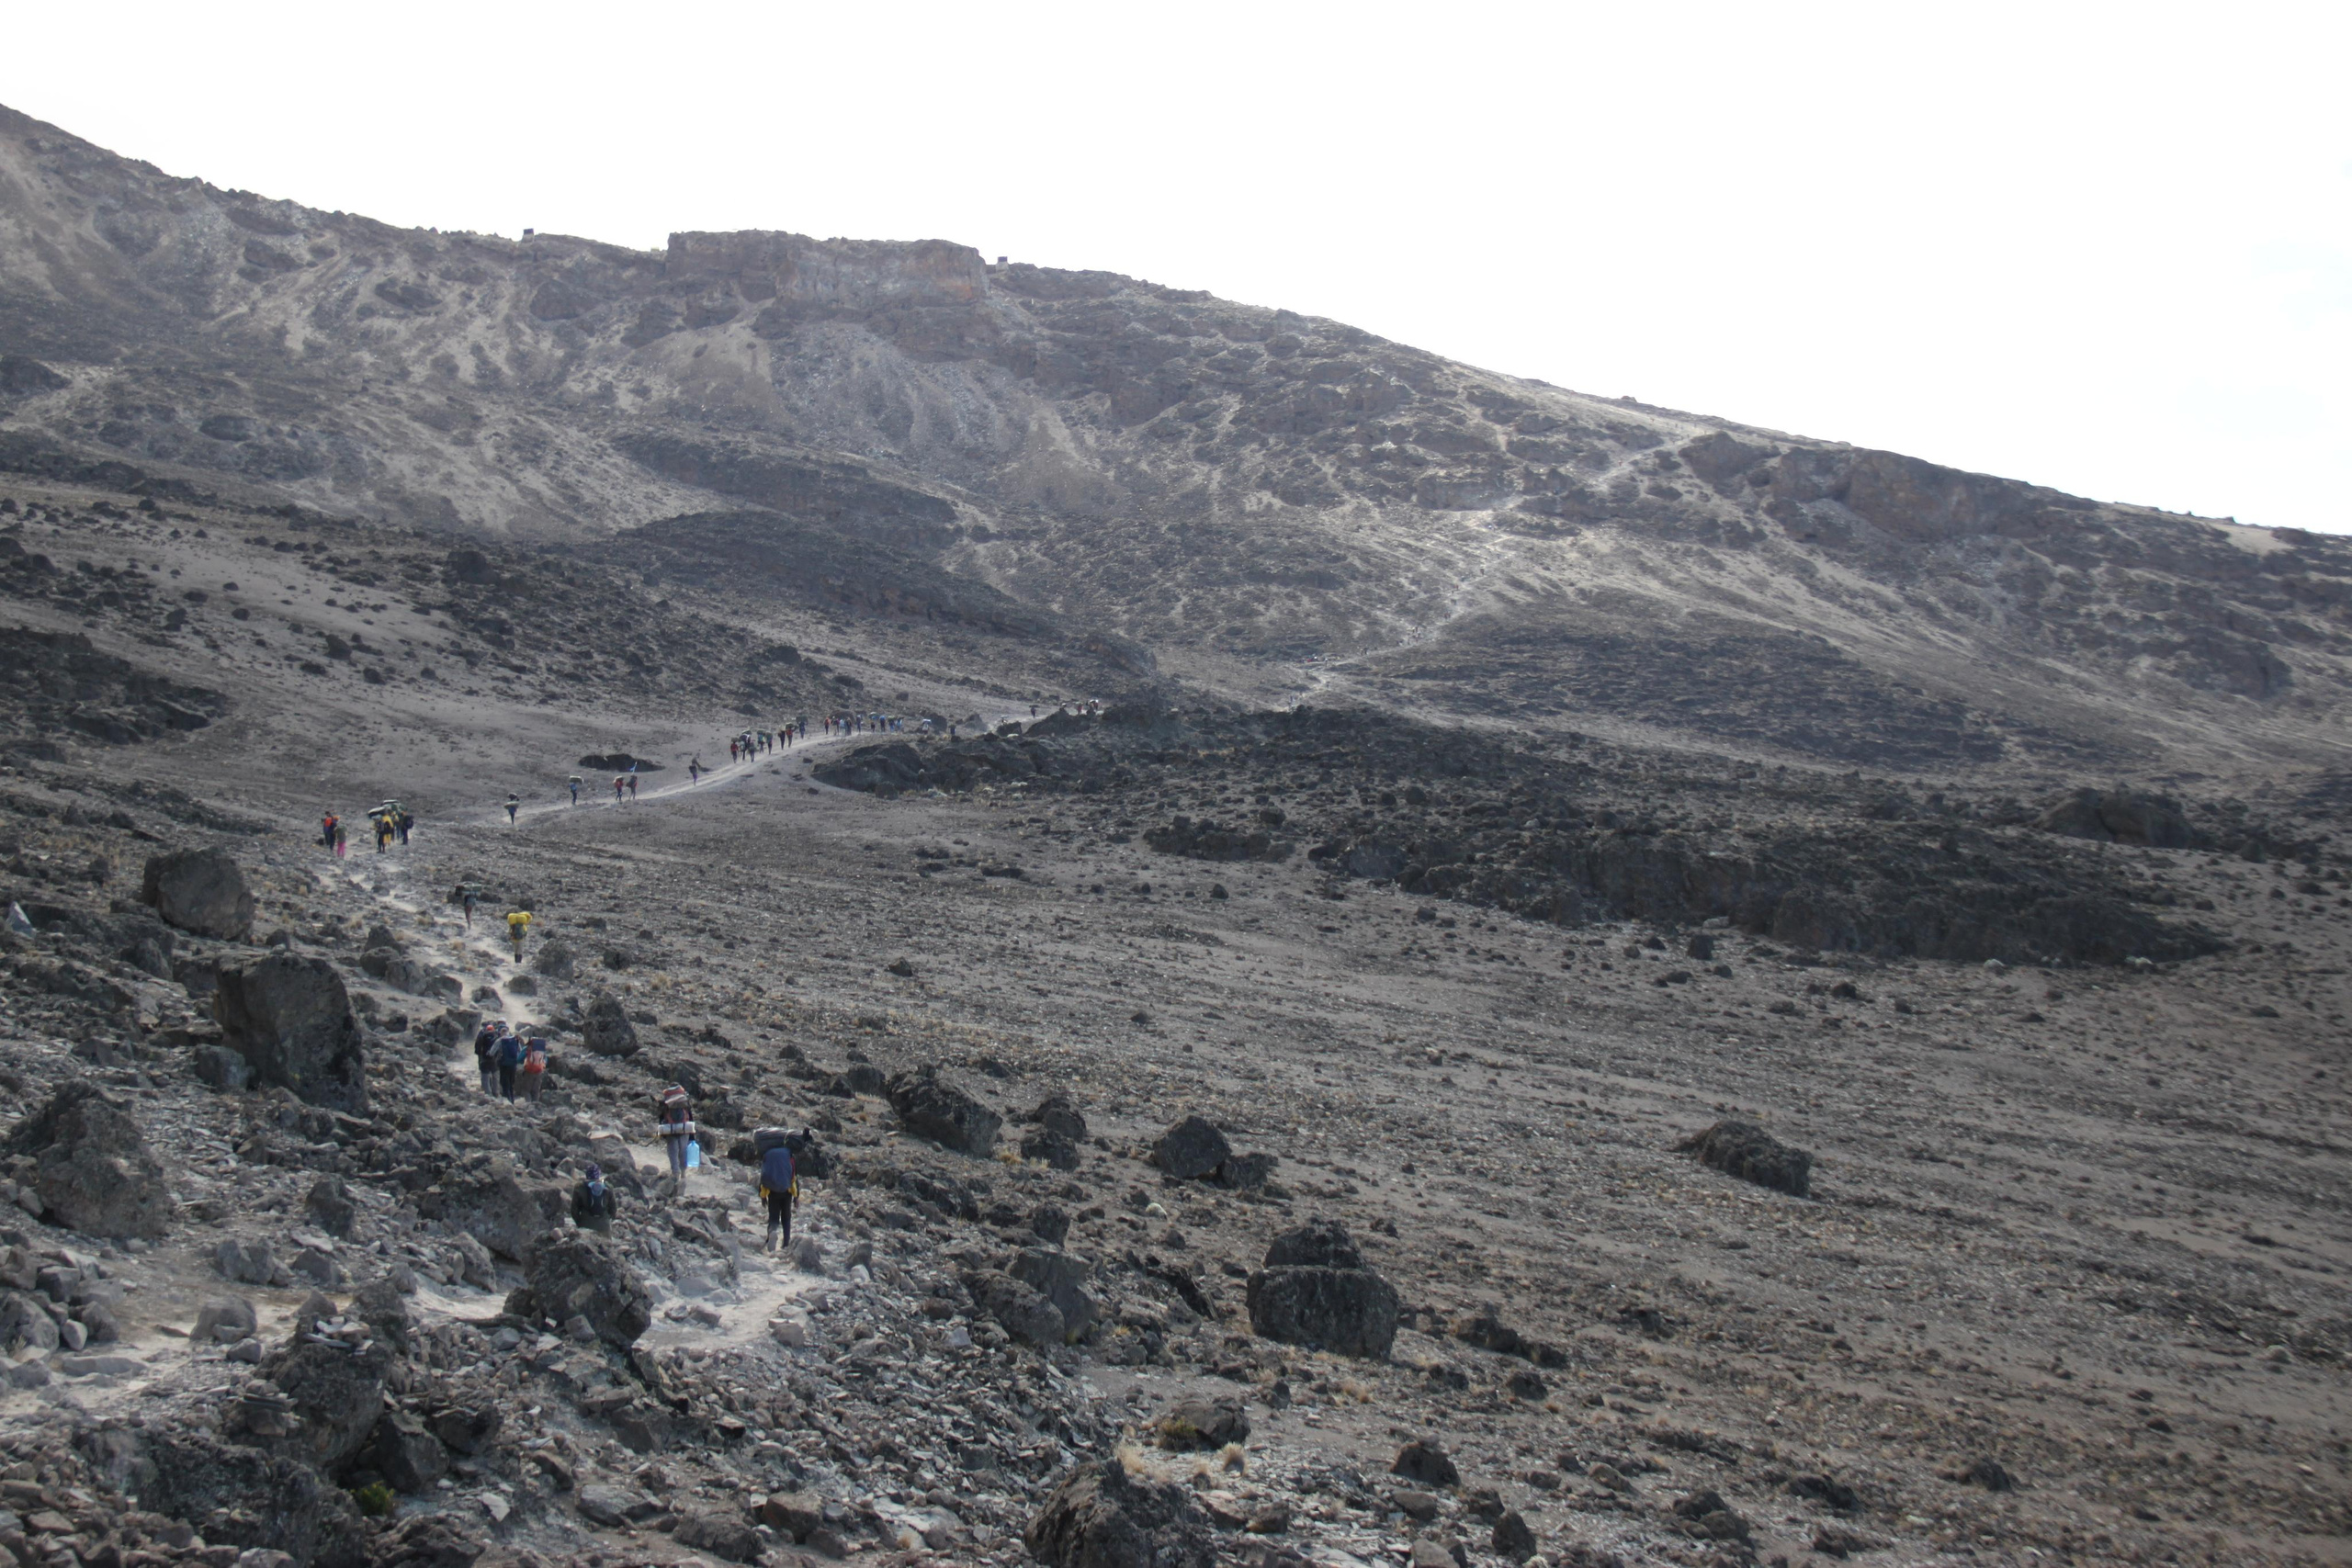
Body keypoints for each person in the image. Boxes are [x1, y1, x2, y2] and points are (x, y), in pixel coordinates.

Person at [758, 1130, 796, 1252]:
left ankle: (772, 1233)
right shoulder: (788, 1154)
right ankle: (786, 1244)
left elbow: (764, 1176)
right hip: (787, 1191)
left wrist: (763, 1196)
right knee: (786, 1218)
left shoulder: (768, 1154)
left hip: (772, 1191)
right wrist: (796, 1197)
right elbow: (794, 1176)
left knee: (773, 1218)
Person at [657, 1084, 695, 1189]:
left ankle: (675, 1172)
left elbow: (661, 1117)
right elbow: (690, 1116)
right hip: (684, 1129)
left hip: (670, 1129)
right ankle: (683, 1172)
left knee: (672, 1151)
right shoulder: (683, 1102)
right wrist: (692, 1134)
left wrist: (662, 1133)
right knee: (683, 1150)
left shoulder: (666, 1102)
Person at [571, 1163, 615, 1232]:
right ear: (599, 1175)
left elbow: (574, 1210)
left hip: (585, 1225)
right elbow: (613, 1210)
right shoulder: (608, 1187)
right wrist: (606, 1221)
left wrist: (579, 1223)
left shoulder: (579, 1187)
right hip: (604, 1228)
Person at [473, 1021, 503, 1096]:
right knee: (495, 1076)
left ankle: (488, 1094)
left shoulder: (483, 1035)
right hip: (495, 1060)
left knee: (485, 1076)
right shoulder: (497, 1036)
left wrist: (479, 1054)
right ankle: (496, 1092)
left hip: (485, 1059)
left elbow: (478, 1047)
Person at [494, 1028, 524, 1101]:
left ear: (501, 1033)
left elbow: (492, 1051)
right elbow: (520, 1051)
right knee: (511, 1083)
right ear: (508, 1033)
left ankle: (507, 1100)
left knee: (504, 1083)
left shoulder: (500, 1040)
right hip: (513, 1065)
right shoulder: (515, 1040)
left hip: (503, 1065)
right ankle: (512, 1100)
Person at [518, 1034, 548, 1102]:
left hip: (529, 1071)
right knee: (536, 1091)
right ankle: (536, 1105)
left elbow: (519, 1059)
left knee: (526, 1090)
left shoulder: (527, 1048)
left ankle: (529, 1105)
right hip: (539, 1071)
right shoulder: (542, 1050)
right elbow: (546, 1060)